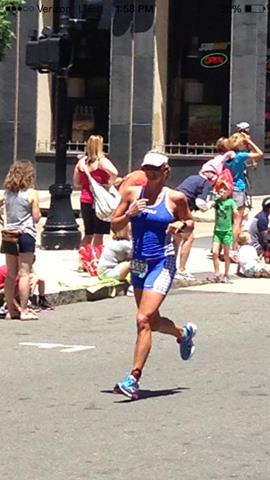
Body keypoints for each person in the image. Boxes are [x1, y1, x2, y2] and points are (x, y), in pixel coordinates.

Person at [111, 151, 197, 400]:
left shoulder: (175, 198)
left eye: (156, 169)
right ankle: (183, 334)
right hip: (138, 263)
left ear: (165, 171)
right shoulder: (131, 194)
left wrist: (180, 226)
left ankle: (133, 379)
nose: (151, 172)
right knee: (150, 321)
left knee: (142, 318)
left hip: (162, 261)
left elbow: (190, 222)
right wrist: (130, 214)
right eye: (147, 168)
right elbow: (113, 223)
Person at [0, 160, 41, 320]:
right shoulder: (31, 193)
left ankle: (11, 310)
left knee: (11, 274)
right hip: (25, 234)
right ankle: (24, 310)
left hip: (9, 235)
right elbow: (36, 218)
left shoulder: (7, 193)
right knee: (24, 273)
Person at [73, 135, 118, 269]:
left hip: (85, 200)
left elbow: (76, 183)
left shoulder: (81, 163)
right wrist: (109, 183)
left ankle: (82, 261)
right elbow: (115, 172)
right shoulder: (102, 162)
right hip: (100, 203)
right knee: (99, 234)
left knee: (88, 233)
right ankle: (96, 261)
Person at [174, 164, 218, 280]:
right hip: (183, 208)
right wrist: (209, 205)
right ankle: (181, 270)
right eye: (214, 174)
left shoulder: (192, 178)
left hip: (173, 206)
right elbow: (200, 202)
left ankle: (171, 267)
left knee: (177, 237)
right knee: (189, 237)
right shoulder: (205, 183)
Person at [224, 132, 263, 255]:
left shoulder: (227, 156)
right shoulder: (240, 156)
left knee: (227, 220)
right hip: (238, 189)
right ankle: (234, 247)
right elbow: (260, 154)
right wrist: (250, 142)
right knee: (237, 221)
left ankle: (224, 247)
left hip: (228, 188)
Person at [207, 181, 239, 283]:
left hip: (227, 231)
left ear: (229, 192)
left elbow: (236, 211)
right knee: (215, 252)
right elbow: (208, 206)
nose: (222, 190)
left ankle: (226, 274)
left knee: (226, 254)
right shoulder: (217, 202)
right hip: (217, 231)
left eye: (225, 189)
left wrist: (236, 215)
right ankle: (217, 273)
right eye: (221, 188)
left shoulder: (231, 202)